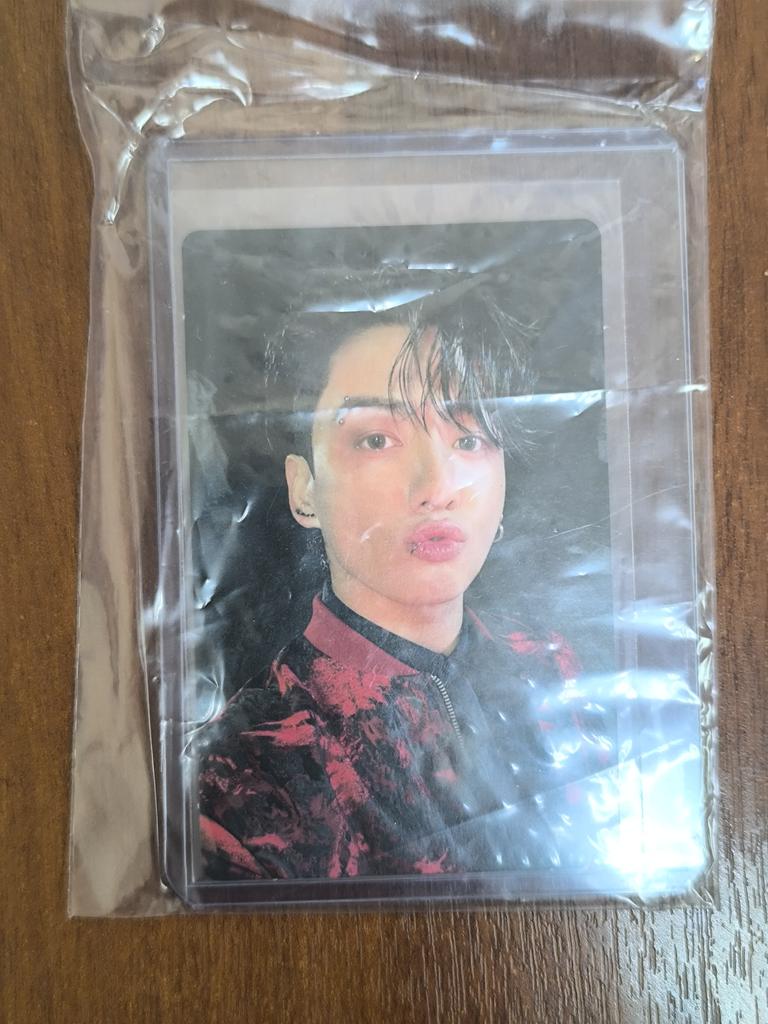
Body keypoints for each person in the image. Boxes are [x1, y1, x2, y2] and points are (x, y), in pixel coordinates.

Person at [195, 283, 613, 881]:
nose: (437, 485)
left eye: (468, 438)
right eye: (376, 440)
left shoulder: (555, 668)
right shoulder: (246, 775)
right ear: (304, 489)